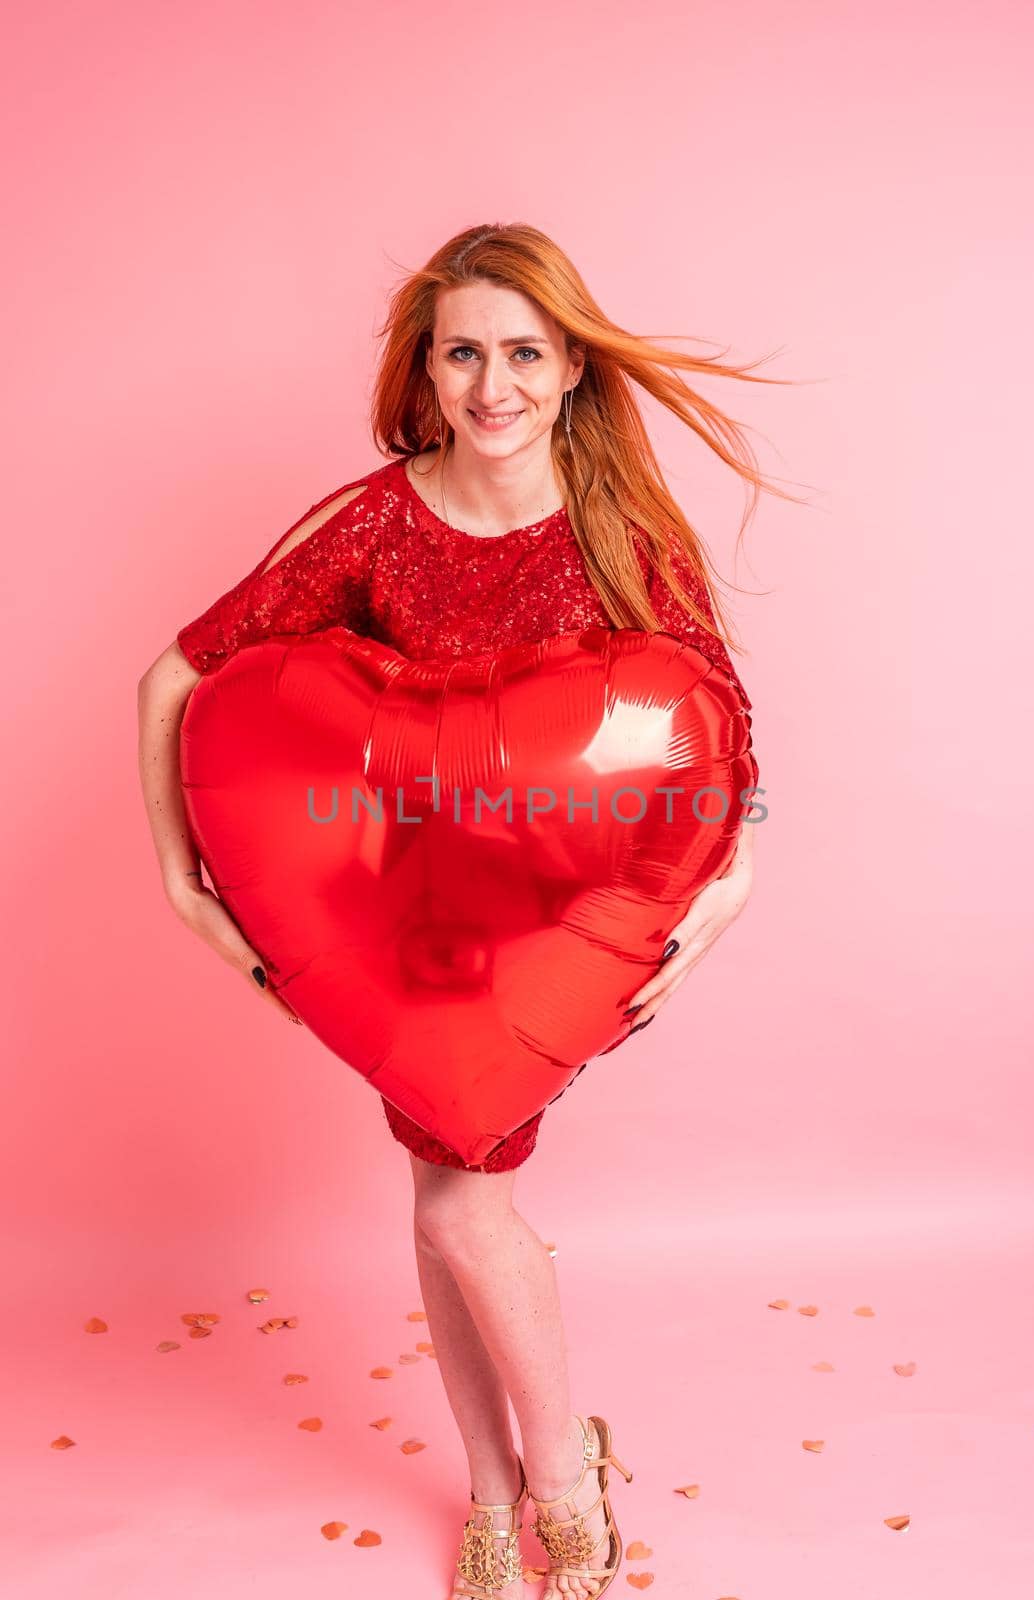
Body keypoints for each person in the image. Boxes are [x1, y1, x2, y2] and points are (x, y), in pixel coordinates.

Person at [137, 223, 787, 1599]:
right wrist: (177, 873)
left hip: (561, 935)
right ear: (425, 373)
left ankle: (541, 1477)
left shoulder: (622, 526)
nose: (493, 383)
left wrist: (735, 874)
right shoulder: (373, 519)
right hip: (405, 939)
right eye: (463, 353)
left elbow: (711, 720)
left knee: (450, 1198)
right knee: (448, 1194)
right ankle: (538, 1479)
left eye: (524, 353)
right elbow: (177, 678)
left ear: (567, 371)